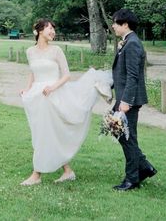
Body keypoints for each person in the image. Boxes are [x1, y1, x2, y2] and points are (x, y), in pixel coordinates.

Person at [20, 19, 112, 186]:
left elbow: (67, 75)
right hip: (38, 96)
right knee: (44, 133)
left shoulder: (56, 50)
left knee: (46, 133)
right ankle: (67, 171)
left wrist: (52, 87)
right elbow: (32, 72)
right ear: (39, 31)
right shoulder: (30, 52)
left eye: (54, 29)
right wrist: (27, 89)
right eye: (49, 28)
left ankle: (36, 175)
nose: (53, 31)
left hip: (54, 94)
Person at [111, 9, 157, 191]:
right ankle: (144, 167)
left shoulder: (132, 44)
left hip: (128, 100)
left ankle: (132, 179)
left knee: (128, 137)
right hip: (123, 96)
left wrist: (126, 102)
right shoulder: (127, 42)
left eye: (115, 23)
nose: (113, 26)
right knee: (117, 131)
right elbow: (121, 73)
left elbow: (133, 76)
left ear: (125, 24)